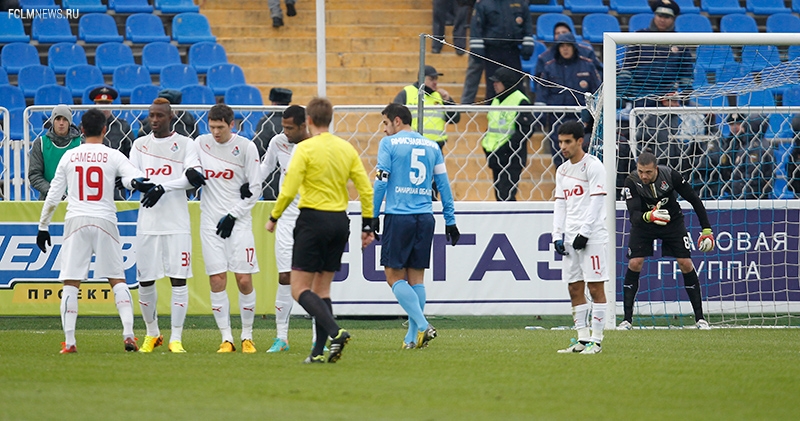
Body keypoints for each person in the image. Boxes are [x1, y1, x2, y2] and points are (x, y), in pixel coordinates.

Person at [265, 97, 376, 364]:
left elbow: (289, 188)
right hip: (340, 222)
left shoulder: (304, 149)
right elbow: (365, 188)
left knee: (298, 288)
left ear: (310, 121)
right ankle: (316, 353)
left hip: (313, 220)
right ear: (331, 119)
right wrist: (368, 224)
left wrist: (274, 216)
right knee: (322, 290)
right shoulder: (346, 148)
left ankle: (336, 332)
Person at [36, 109, 153, 354]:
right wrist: (138, 183)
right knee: (118, 280)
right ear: (104, 129)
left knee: (70, 282)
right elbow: (134, 178)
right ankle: (129, 334)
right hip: (105, 219)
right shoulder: (113, 154)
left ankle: (69, 342)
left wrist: (43, 226)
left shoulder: (69, 156)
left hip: (76, 219)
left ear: (81, 128)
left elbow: (54, 194)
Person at [373, 103, 461, 349]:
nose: (383, 129)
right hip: (425, 218)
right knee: (416, 279)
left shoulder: (389, 145)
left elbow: (381, 182)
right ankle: (411, 339)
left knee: (392, 276)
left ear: (397, 121)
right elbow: (443, 185)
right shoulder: (432, 146)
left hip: (399, 216)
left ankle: (423, 325)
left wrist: (373, 214)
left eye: (385, 123)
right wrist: (450, 219)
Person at [126, 98, 206, 353]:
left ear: (170, 117)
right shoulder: (139, 144)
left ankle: (176, 338)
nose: (154, 120)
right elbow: (129, 177)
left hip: (177, 222)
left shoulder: (185, 144)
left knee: (178, 280)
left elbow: (193, 177)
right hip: (148, 223)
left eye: (160, 115)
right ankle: (152, 334)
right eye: (151, 115)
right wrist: (139, 184)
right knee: (146, 281)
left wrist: (163, 187)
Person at [618, 151, 715, 330]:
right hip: (645, 224)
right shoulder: (631, 181)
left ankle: (700, 319)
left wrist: (706, 229)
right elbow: (633, 215)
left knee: (686, 263)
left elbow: (694, 199)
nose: (643, 176)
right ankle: (626, 320)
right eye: (640, 171)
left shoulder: (670, 176)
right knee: (635, 263)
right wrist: (650, 215)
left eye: (648, 172)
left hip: (672, 221)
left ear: (656, 168)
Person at [195, 104, 262, 353]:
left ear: (231, 125)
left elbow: (256, 188)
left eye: (220, 127)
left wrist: (234, 215)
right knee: (217, 279)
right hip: (210, 222)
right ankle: (227, 338)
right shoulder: (200, 144)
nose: (215, 132)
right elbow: (190, 169)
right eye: (212, 127)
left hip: (239, 222)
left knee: (244, 280)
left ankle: (247, 336)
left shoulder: (245, 147)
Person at [251, 105, 309, 353]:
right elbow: (265, 169)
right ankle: (281, 337)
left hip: (311, 217)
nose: (284, 132)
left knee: (313, 280)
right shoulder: (278, 142)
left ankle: (320, 339)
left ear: (304, 125)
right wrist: (249, 184)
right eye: (283, 127)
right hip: (286, 216)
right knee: (285, 275)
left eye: (289, 128)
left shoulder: (317, 144)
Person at [551, 121, 609, 354]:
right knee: (574, 288)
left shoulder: (594, 166)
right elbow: (561, 204)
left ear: (579, 141)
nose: (563, 147)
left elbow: (597, 201)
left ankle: (597, 339)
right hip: (570, 237)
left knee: (595, 287)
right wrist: (557, 235)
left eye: (567, 142)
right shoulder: (562, 170)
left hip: (592, 236)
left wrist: (584, 233)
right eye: (560, 142)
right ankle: (582, 339)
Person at [535, 32, 601, 168]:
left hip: (582, 120)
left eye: (568, 46)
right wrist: (539, 117)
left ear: (574, 47)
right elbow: (542, 94)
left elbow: (598, 92)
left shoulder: (587, 65)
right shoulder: (549, 67)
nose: (565, 49)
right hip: (557, 120)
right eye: (562, 46)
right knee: (560, 158)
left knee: (583, 158)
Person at [618, 0, 693, 102]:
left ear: (673, 19)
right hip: (639, 93)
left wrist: (686, 95)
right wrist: (622, 93)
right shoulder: (639, 36)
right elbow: (628, 67)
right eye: (660, 15)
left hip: (668, 95)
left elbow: (686, 72)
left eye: (667, 17)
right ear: (655, 16)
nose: (662, 20)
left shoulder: (679, 41)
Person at [482, 67, 534, 201]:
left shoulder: (520, 101)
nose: (494, 85)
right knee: (500, 196)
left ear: (506, 83)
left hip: (512, 157)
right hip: (496, 155)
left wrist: (505, 150)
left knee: (506, 196)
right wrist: (487, 149)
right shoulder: (496, 100)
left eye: (497, 82)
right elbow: (491, 129)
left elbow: (525, 130)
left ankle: (512, 221)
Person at [469, 0, 534, 100]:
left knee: (516, 84)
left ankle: (520, 113)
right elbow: (476, 27)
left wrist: (528, 44)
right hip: (492, 52)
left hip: (512, 51)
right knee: (494, 86)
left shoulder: (520, 2)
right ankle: (493, 113)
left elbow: (527, 24)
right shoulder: (484, 3)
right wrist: (477, 50)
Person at [392, 65, 461, 149]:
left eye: (436, 79)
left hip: (436, 147)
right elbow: (393, 114)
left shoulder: (439, 96)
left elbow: (455, 119)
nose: (435, 82)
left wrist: (448, 101)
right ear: (421, 79)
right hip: (413, 145)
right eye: (431, 79)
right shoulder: (407, 92)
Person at [88, 86, 135, 200]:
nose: (104, 108)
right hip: (91, 180)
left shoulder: (123, 127)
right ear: (95, 105)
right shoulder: (86, 126)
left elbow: (131, 154)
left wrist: (124, 174)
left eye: (107, 104)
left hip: (115, 182)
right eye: (101, 104)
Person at [28, 104, 82, 200]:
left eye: (65, 119)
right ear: (53, 121)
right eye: (58, 119)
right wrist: (53, 192)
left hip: (76, 201)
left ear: (69, 122)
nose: (61, 123)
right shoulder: (41, 143)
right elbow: (34, 175)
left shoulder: (81, 143)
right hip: (48, 200)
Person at [253, 87, 293, 200]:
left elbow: (258, 148)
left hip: (272, 179)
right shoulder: (295, 121)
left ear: (273, 102)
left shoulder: (267, 121)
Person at [533, 22, 602, 82]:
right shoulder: (544, 57)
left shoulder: (587, 52)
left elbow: (599, 74)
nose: (561, 35)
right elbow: (539, 83)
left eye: (564, 32)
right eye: (557, 33)